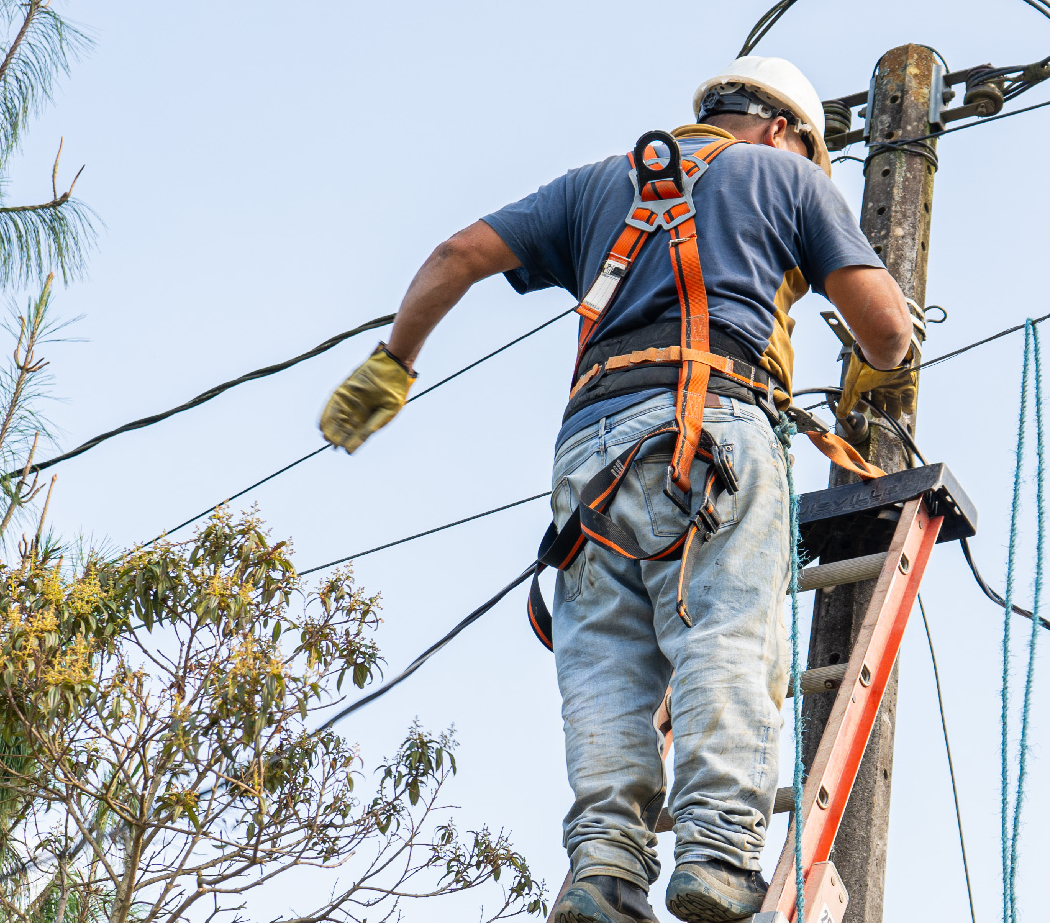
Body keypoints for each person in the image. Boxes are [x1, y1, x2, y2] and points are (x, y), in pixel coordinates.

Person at [318, 56, 918, 923]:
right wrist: (877, 362)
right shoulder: (785, 175)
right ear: (786, 131)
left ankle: (604, 867)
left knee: (603, 660)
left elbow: (457, 254)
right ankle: (715, 851)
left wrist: (393, 366)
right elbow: (890, 330)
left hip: (588, 457)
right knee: (726, 629)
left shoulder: (601, 185)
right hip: (715, 422)